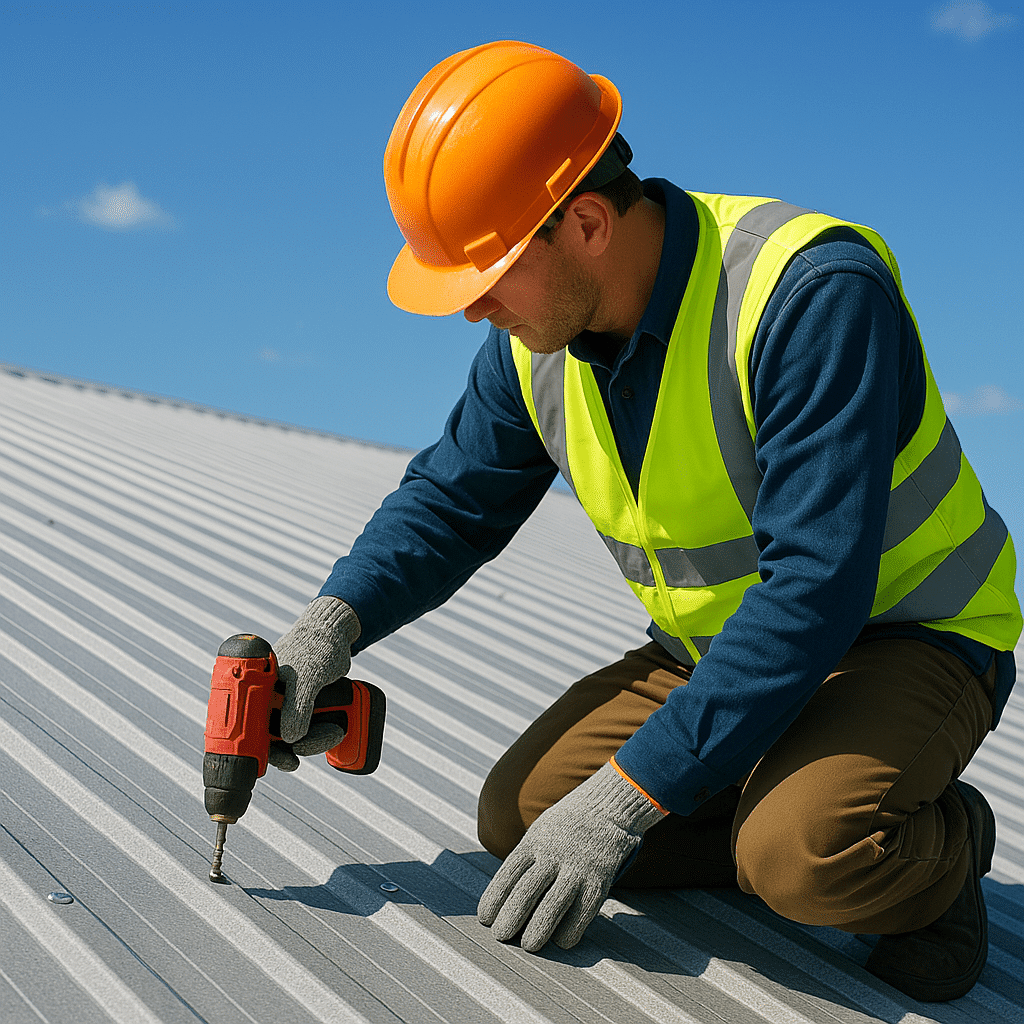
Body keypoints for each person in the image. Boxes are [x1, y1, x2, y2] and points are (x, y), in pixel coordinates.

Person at [268, 41, 1022, 1003]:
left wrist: (626, 808)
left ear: (583, 221)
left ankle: (941, 852)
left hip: (906, 638)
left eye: (487, 276)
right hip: (718, 653)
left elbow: (817, 591)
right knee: (525, 813)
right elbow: (452, 502)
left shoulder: (810, 294)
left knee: (798, 858)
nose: (472, 312)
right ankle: (770, 798)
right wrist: (330, 627)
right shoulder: (537, 342)